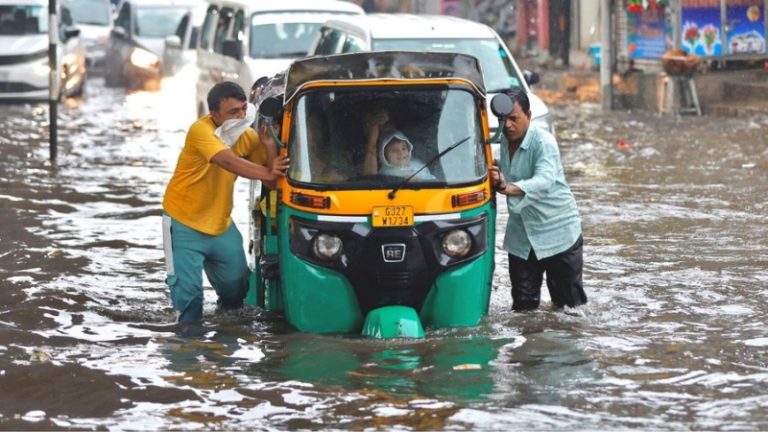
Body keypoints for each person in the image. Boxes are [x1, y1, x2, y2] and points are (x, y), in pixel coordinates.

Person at [162, 81, 289, 322]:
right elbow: (228, 161)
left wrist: (270, 147)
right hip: (183, 223)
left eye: (243, 109)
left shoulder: (247, 137)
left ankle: (225, 340)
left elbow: (272, 180)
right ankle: (186, 350)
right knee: (189, 302)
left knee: (237, 289)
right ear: (215, 115)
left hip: (220, 224)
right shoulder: (201, 131)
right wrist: (270, 172)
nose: (241, 115)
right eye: (233, 112)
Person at [489, 88, 587, 312]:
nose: (508, 125)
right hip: (522, 236)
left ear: (529, 116)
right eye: (504, 120)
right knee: (523, 308)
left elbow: (544, 180)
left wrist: (507, 187)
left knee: (569, 307)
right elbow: (504, 167)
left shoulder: (543, 142)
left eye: (514, 119)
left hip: (557, 233)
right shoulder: (504, 141)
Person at [361, 110, 432, 179]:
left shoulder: (419, 165)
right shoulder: (385, 175)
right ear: (384, 156)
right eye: (394, 150)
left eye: (404, 148)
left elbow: (434, 181)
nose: (400, 153)